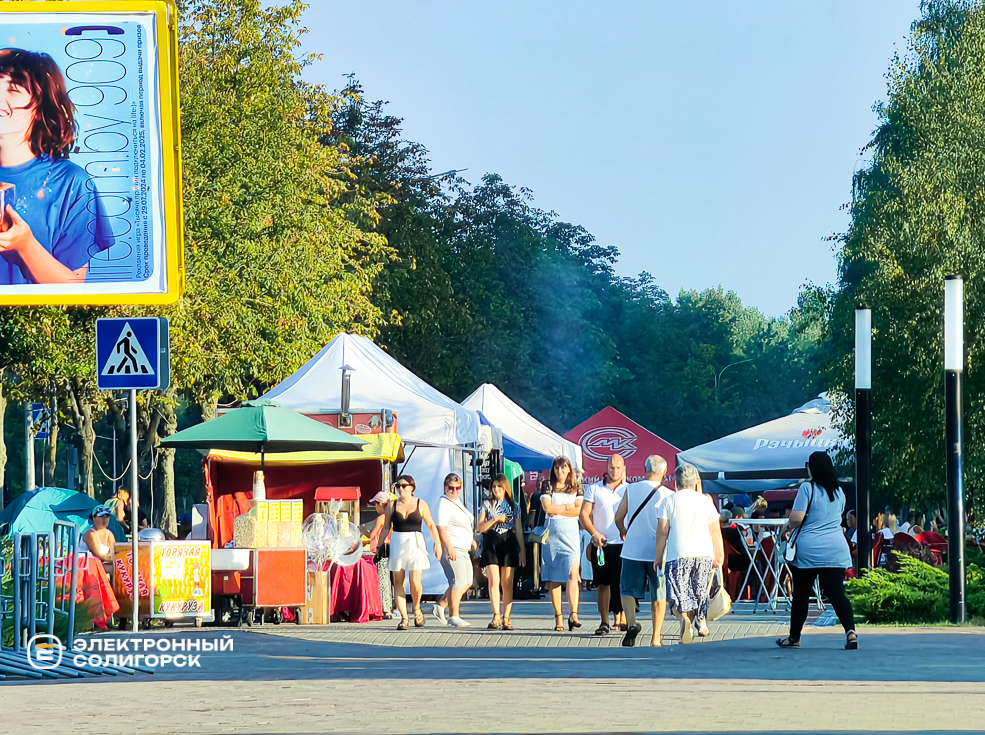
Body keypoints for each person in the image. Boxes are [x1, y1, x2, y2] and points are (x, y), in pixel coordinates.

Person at [0, 48, 114, 284]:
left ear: (40, 108)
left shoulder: (72, 184)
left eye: (13, 89)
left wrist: (25, 246)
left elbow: (73, 288)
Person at [776, 452, 858, 650]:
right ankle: (851, 632)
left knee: (802, 594)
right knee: (837, 593)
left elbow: (796, 518)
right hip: (836, 549)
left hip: (809, 550)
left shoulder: (807, 488)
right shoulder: (839, 492)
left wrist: (787, 526)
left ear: (811, 468)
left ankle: (794, 638)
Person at [654, 462, 723, 644]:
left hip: (678, 554)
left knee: (681, 594)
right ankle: (694, 623)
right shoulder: (705, 502)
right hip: (703, 553)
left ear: (676, 482)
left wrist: (657, 557)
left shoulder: (668, 501)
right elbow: (715, 531)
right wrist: (719, 553)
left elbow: (662, 532)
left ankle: (685, 620)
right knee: (699, 593)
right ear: (695, 481)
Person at [614, 455, 673, 647]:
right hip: (658, 551)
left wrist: (624, 531)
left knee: (627, 590)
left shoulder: (631, 489)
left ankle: (631, 623)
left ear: (644, 469)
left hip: (633, 549)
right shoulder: (667, 494)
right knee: (659, 593)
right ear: (664, 472)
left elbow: (618, 517)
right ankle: (656, 637)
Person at [379, 475, 443, 630]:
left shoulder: (421, 504)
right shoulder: (392, 505)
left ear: (412, 487)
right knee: (398, 582)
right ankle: (404, 617)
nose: (401, 488)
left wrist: (438, 544)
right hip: (397, 542)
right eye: (399, 486)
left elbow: (431, 524)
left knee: (415, 582)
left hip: (415, 542)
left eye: (404, 486)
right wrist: (379, 544)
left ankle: (417, 609)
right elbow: (386, 526)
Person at [581, 454, 628, 635]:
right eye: (611, 467)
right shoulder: (594, 489)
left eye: (618, 467)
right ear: (606, 468)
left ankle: (624, 618)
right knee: (602, 584)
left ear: (623, 468)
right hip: (601, 544)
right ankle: (604, 622)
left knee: (621, 583)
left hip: (623, 544)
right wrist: (594, 533)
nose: (614, 471)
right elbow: (584, 514)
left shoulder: (629, 489)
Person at [477, 473, 526, 630]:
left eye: (499, 486)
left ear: (505, 488)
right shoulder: (486, 504)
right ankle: (496, 615)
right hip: (492, 541)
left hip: (508, 541)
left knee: (507, 582)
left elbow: (518, 529)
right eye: (494, 486)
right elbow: (480, 528)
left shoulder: (514, 506)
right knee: (494, 580)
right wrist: (495, 519)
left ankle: (506, 617)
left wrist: (522, 550)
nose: (496, 489)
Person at [541, 456, 583, 632]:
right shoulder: (547, 485)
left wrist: (560, 509)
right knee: (555, 577)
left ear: (569, 470)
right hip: (552, 536)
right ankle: (559, 616)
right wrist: (567, 507)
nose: (560, 471)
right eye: (557, 468)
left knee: (573, 573)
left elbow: (579, 510)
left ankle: (574, 613)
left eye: (564, 468)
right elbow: (547, 508)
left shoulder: (577, 486)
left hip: (571, 535)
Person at [433, 473, 476, 628]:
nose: (454, 491)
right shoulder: (443, 503)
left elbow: (463, 523)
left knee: (467, 581)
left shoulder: (456, 501)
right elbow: (441, 528)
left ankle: (442, 604)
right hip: (453, 547)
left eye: (457, 488)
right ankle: (454, 616)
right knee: (457, 582)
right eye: (450, 488)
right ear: (445, 487)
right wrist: (448, 546)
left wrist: (470, 539)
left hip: (463, 547)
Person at [368, 489, 394, 618]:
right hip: (391, 548)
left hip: (381, 549)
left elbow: (372, 534)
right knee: (390, 580)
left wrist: (363, 533)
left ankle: (386, 609)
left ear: (380, 504)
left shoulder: (381, 518)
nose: (375, 507)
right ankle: (390, 606)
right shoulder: (392, 518)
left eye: (376, 504)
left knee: (383, 579)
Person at [82, 506, 116, 574]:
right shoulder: (90, 534)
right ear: (94, 518)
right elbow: (97, 555)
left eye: (107, 516)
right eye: (101, 516)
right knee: (114, 569)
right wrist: (113, 560)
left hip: (101, 564)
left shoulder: (110, 534)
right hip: (86, 565)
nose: (104, 519)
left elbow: (113, 552)